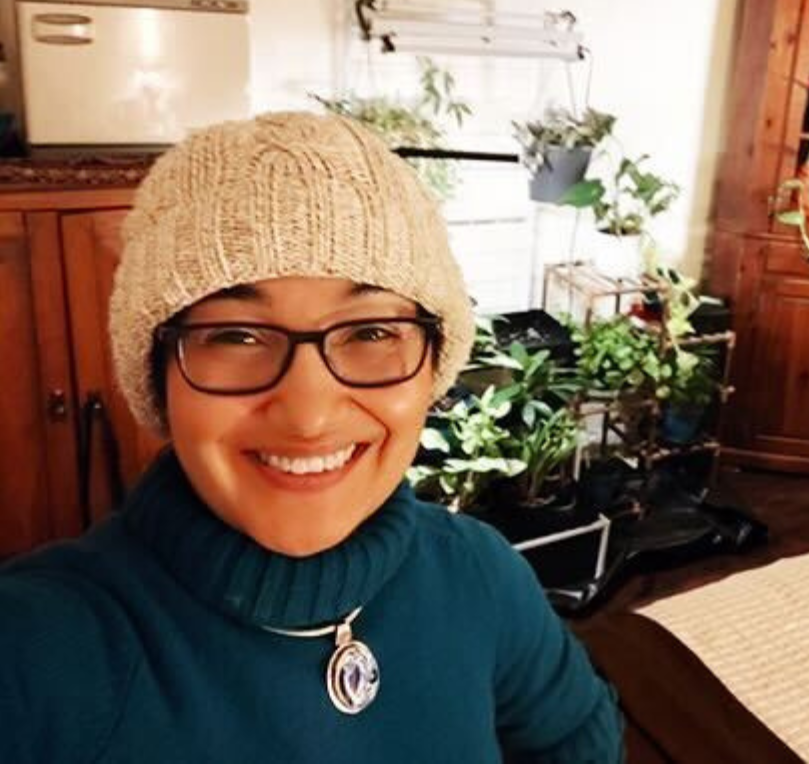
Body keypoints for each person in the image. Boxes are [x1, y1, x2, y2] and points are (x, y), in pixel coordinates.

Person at [0, 112, 624, 762]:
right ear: (157, 377)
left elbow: (580, 741)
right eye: (237, 336)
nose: (309, 415)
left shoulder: (481, 576)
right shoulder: (38, 649)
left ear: (435, 363)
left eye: (371, 331)